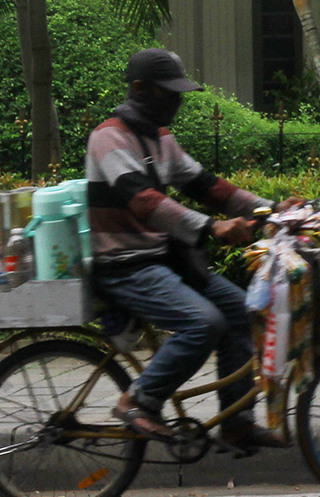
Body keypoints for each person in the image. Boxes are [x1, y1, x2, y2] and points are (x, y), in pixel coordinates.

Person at [86, 48, 292, 454]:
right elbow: (144, 201)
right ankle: (139, 400)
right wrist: (211, 228)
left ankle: (236, 423)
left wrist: (272, 210)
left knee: (244, 311)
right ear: (140, 89)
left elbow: (207, 186)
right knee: (203, 324)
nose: (177, 103)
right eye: (169, 94)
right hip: (124, 264)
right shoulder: (108, 137)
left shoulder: (159, 138)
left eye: (180, 94)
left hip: (163, 260)